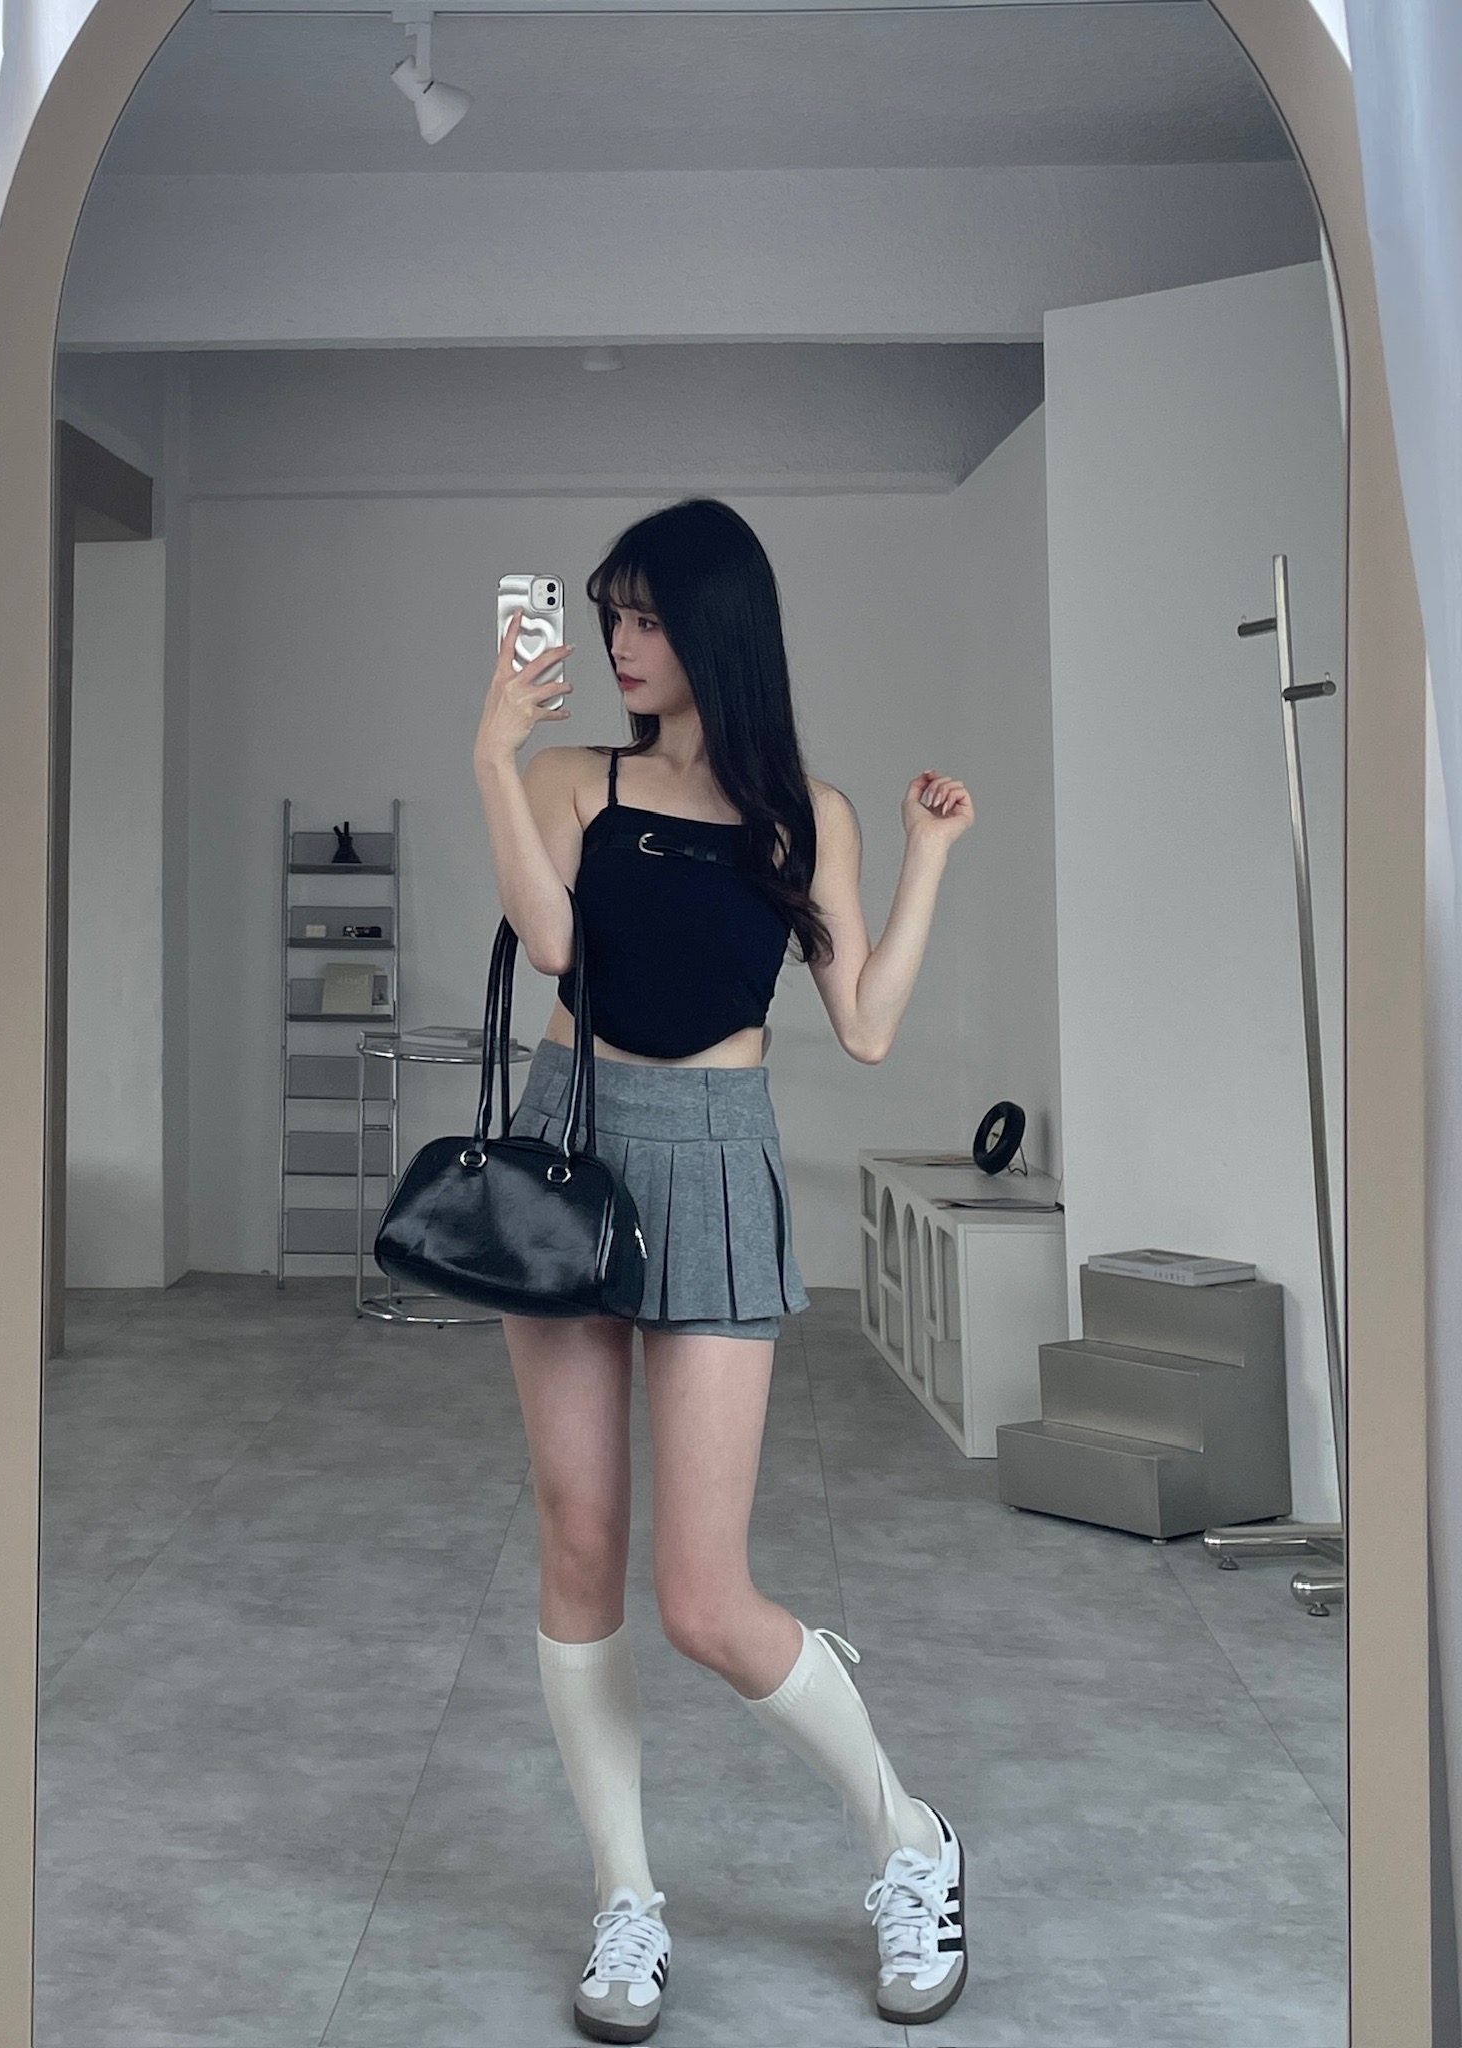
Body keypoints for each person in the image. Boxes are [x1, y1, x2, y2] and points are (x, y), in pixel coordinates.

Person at [472, 498, 975, 2041]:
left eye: (646, 616)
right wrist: (492, 753)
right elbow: (552, 949)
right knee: (578, 1544)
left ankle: (909, 1836)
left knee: (701, 1596)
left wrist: (926, 858)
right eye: (610, 615)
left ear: (715, 625)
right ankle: (625, 1898)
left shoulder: (800, 815)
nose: (621, 642)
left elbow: (865, 1023)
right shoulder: (573, 778)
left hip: (715, 1157)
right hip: (575, 1143)